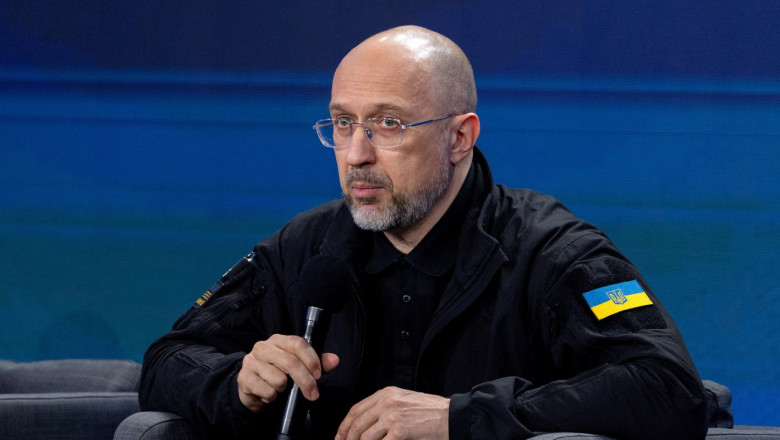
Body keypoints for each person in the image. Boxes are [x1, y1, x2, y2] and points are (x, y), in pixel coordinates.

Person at [139, 25, 708, 439]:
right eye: (343, 123)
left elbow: (666, 388)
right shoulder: (305, 248)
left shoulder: (555, 253)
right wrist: (238, 382)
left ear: (460, 138)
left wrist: (460, 418)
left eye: (388, 124)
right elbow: (168, 359)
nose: (356, 155)